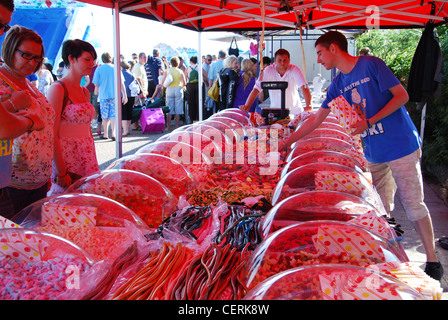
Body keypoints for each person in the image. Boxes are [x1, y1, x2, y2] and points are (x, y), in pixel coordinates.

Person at [279, 30, 443, 281]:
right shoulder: (338, 84)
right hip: (374, 153)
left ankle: (433, 261)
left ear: (334, 48)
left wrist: (369, 122)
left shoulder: (371, 65)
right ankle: (386, 260)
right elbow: (315, 120)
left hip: (401, 146)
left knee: (413, 204)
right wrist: (286, 142)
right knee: (378, 210)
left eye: (320, 53)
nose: (319, 60)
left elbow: (402, 96)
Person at [0, 25, 55, 216]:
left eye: (37, 58)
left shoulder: (28, 84)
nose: (32, 62)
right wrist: (13, 105)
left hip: (37, 180)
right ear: (10, 49)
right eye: (26, 55)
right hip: (10, 183)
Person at [47, 39, 100, 196]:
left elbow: (87, 128)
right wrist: (62, 172)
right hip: (66, 157)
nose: (92, 64)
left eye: (93, 60)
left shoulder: (84, 91)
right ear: (71, 58)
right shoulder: (58, 88)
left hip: (86, 154)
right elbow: (52, 133)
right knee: (64, 204)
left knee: (86, 202)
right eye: (87, 59)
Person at [239, 48, 312, 115]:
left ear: (289, 60)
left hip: (295, 112)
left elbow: (304, 87)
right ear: (275, 61)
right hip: (276, 112)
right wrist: (247, 105)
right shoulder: (268, 70)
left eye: (285, 60)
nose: (282, 63)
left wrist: (308, 105)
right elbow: (256, 89)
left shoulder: (295, 69)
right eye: (279, 60)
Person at [92, 52, 127, 140]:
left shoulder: (99, 69)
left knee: (104, 115)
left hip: (103, 95)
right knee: (113, 115)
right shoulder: (116, 68)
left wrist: (96, 91)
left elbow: (96, 84)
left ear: (102, 59)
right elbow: (122, 83)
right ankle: (114, 133)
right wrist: (125, 95)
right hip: (115, 95)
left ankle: (106, 134)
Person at [161, 56, 187, 131]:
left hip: (169, 89)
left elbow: (162, 82)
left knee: (169, 108)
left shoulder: (167, 71)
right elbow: (184, 83)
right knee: (178, 108)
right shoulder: (180, 71)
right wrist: (180, 86)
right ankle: (176, 126)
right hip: (178, 89)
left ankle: (168, 126)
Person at [185, 55, 207, 123]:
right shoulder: (200, 67)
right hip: (199, 85)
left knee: (191, 103)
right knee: (200, 102)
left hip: (190, 86)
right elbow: (206, 76)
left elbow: (185, 78)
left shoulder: (188, 68)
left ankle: (192, 120)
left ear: (190, 61)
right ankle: (200, 119)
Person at [206, 49, 227, 116]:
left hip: (216, 88)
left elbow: (211, 78)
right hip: (225, 88)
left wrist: (210, 87)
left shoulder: (214, 64)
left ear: (218, 56)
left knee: (215, 105)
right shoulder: (227, 63)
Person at [120, 60, 136, 136]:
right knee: (129, 112)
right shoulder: (131, 74)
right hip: (131, 94)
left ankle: (125, 131)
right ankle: (128, 129)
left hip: (122, 95)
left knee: (123, 113)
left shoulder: (120, 73)